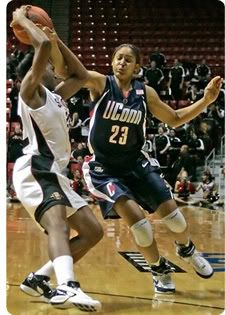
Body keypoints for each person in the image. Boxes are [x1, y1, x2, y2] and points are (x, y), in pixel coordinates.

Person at [48, 41, 222, 295]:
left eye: (128, 59)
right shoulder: (100, 83)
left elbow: (174, 119)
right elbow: (66, 70)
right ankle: (158, 269)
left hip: (136, 164)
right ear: (111, 62)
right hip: (104, 169)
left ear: (138, 67)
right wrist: (53, 40)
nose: (122, 62)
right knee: (140, 226)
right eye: (118, 58)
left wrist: (206, 100)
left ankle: (186, 249)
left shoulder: (145, 93)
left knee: (176, 220)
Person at [10, 6, 103, 311]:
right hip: (36, 167)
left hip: (55, 172)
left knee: (92, 231)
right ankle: (67, 287)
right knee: (59, 226)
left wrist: (57, 38)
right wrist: (23, 20)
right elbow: (43, 47)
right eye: (47, 66)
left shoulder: (57, 96)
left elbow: (79, 74)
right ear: (35, 73)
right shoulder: (30, 93)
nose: (52, 67)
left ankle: (40, 278)